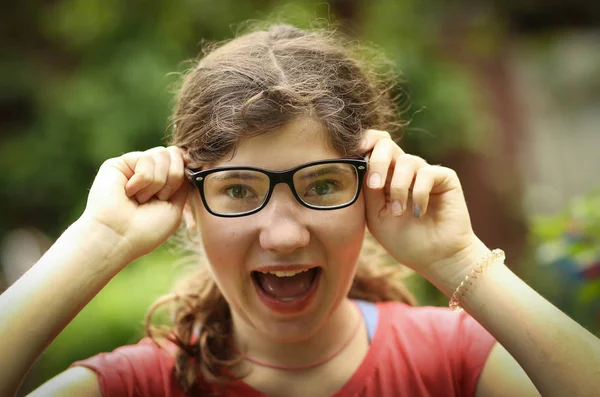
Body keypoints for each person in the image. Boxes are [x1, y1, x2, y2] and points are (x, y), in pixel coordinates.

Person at [1, 23, 599, 397]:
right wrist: (96, 242)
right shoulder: (137, 387)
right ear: (189, 203)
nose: (284, 236)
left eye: (320, 185)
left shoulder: (454, 362)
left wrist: (457, 257)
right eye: (237, 189)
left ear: (370, 192)